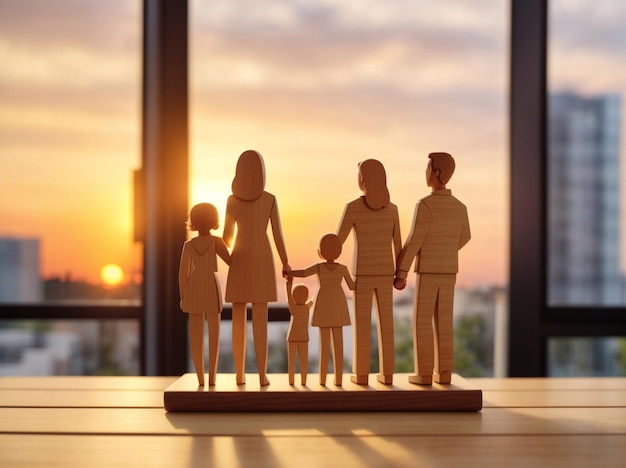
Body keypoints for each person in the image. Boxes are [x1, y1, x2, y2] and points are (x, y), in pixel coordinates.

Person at [394, 152, 471, 385]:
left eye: (428, 167)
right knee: (445, 322)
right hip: (449, 270)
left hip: (428, 270)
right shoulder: (460, 207)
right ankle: (444, 373)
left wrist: (401, 273)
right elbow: (465, 237)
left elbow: (414, 240)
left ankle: (425, 373)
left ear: (437, 172)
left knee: (423, 320)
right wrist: (446, 250)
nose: (426, 172)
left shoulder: (425, 205)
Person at [223, 150, 291, 386]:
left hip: (240, 258)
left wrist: (222, 257)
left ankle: (240, 375)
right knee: (260, 321)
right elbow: (278, 236)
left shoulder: (232, 201)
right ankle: (262, 375)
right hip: (262, 257)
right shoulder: (270, 199)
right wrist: (285, 262)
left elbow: (227, 238)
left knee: (238, 320)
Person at [337, 160, 402, 385]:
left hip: (362, 272)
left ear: (362, 179)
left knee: (362, 326)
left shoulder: (353, 207)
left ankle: (362, 374)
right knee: (387, 325)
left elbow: (339, 241)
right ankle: (388, 374)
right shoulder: (392, 209)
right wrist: (401, 274)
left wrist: (324, 250)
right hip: (386, 272)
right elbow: (398, 245)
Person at [288, 234, 355, 386]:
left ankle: (323, 380)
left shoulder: (319, 267)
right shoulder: (343, 269)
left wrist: (290, 273)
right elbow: (352, 286)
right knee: (339, 344)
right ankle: (338, 380)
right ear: (340, 251)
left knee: (324, 345)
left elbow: (304, 273)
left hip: (324, 303)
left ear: (320, 253)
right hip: (338, 303)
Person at [178, 203, 231, 387]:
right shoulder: (216, 242)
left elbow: (183, 275)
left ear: (193, 221)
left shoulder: (189, 245)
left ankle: (200, 378)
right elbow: (231, 261)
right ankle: (211, 378)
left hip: (193, 289)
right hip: (210, 286)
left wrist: (183, 296)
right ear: (214, 220)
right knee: (213, 333)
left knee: (196, 335)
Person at [285, 277, 312, 386]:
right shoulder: (298, 308)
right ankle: (295, 381)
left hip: (300, 337)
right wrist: (288, 287)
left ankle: (300, 381)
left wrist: (288, 287)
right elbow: (290, 301)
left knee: (298, 361)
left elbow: (313, 300)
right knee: (297, 361)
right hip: (298, 337)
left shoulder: (304, 307)